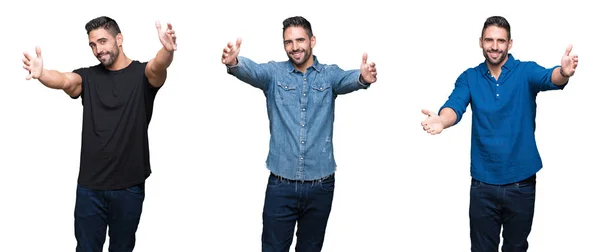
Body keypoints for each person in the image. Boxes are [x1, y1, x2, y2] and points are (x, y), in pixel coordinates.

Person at [420, 16, 578, 252]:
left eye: (500, 41)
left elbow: (549, 77)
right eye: (489, 40)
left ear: (510, 44)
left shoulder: (525, 71)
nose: (495, 46)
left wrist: (563, 73)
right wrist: (442, 120)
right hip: (483, 184)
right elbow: (454, 105)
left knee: (516, 248)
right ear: (480, 42)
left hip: (521, 183)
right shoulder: (469, 77)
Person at [221, 16, 377, 252]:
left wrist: (363, 78)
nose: (295, 47)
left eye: (300, 40)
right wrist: (234, 63)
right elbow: (250, 70)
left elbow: (349, 79)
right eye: (288, 42)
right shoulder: (274, 74)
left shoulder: (328, 75)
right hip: (281, 185)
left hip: (321, 185)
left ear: (312, 40)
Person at [21, 16, 177, 252]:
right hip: (90, 188)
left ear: (119, 39)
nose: (98, 50)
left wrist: (167, 50)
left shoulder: (142, 74)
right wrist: (42, 74)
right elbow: (64, 80)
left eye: (103, 41)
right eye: (93, 45)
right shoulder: (88, 77)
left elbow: (159, 66)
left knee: (122, 248)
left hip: (128, 186)